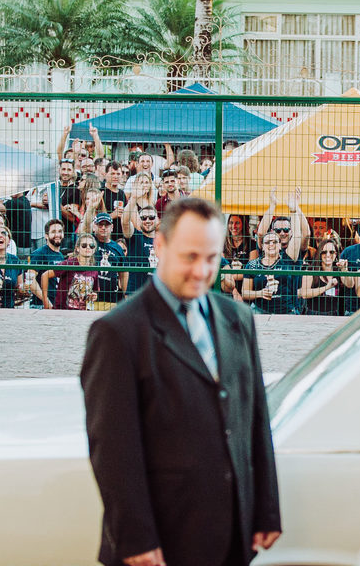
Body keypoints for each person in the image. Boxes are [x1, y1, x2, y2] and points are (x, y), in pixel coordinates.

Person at [81, 197, 281, 566]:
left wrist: (266, 509)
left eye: (211, 258)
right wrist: (136, 538)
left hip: (232, 534)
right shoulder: (117, 332)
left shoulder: (238, 318)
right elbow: (113, 450)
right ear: (160, 245)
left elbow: (254, 417)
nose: (202, 271)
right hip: (160, 542)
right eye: (190, 257)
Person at [241, 230, 301, 314]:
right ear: (262, 246)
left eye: (275, 242)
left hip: (286, 311)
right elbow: (245, 293)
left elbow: (299, 236)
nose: (271, 244)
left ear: (280, 245)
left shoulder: (288, 261)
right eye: (267, 242)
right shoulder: (252, 265)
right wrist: (260, 293)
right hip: (259, 310)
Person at [78, 210, 128, 308]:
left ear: (112, 227)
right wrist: (91, 206)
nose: (103, 228)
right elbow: (84, 229)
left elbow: (124, 274)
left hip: (110, 299)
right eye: (100, 225)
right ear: (94, 227)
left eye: (107, 225)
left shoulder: (117, 248)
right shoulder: (89, 242)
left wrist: (126, 296)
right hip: (88, 298)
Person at [46, 233, 101, 310]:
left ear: (94, 249)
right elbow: (45, 275)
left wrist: (94, 296)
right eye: (84, 245)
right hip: (62, 310)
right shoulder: (69, 263)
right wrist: (46, 303)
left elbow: (94, 291)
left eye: (91, 246)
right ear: (77, 248)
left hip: (83, 311)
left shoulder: (94, 269)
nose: (88, 248)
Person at [298, 239, 349, 316]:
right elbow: (304, 294)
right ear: (319, 254)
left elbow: (350, 284)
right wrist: (326, 287)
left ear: (336, 254)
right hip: (312, 314)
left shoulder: (338, 270)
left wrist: (344, 269)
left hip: (334, 314)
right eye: (324, 252)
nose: (328, 255)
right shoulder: (311, 270)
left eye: (331, 252)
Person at [122, 204, 159, 295]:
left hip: (157, 293)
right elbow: (125, 222)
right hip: (136, 293)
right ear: (139, 220)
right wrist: (134, 198)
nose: (147, 221)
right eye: (143, 218)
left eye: (151, 217)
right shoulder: (134, 236)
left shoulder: (163, 241)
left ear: (157, 219)